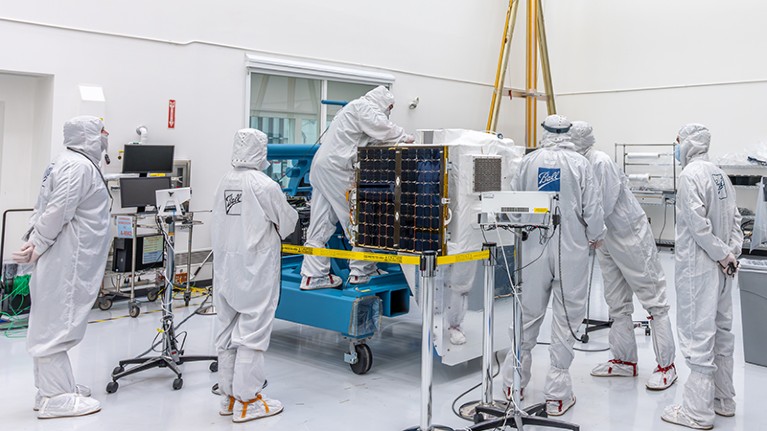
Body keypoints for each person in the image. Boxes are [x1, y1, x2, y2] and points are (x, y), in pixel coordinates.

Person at [500, 114, 605, 416]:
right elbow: (593, 207)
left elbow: (514, 203)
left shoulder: (528, 162)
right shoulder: (580, 164)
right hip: (570, 250)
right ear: (568, 133)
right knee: (567, 318)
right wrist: (596, 235)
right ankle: (557, 395)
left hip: (532, 247)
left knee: (528, 314)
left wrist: (524, 226)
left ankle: (513, 384)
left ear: (544, 132)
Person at [12, 116, 111, 418]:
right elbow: (57, 210)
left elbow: (46, 206)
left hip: (67, 256)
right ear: (88, 136)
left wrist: (35, 241)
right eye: (101, 132)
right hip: (68, 259)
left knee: (52, 319)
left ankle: (52, 389)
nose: (106, 136)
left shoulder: (67, 161)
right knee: (58, 322)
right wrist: (38, 243)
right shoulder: (78, 166)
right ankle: (56, 398)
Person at [569, 121, 677, 390]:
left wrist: (580, 233)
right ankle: (624, 361)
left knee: (654, 300)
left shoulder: (600, 161)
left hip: (629, 236)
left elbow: (601, 206)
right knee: (616, 302)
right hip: (605, 240)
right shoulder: (577, 163)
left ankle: (667, 366)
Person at [211, 128, 298, 423]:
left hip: (225, 269)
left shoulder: (225, 180)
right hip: (254, 269)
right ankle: (248, 401)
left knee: (226, 332)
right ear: (261, 150)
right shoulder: (264, 184)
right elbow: (287, 223)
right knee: (252, 333)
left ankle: (228, 397)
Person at [661, 124, 742, 430]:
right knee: (722, 332)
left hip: (700, 268)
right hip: (724, 269)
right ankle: (723, 400)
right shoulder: (720, 174)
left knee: (698, 335)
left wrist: (720, 254)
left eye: (678, 142)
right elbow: (736, 221)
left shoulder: (690, 175)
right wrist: (729, 254)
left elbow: (697, 226)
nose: (676, 147)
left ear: (689, 144)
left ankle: (697, 412)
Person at [300, 85, 415, 290]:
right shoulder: (364, 107)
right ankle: (361, 272)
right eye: (389, 107)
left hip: (321, 168)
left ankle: (313, 275)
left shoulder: (351, 111)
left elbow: (369, 140)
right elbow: (382, 128)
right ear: (381, 101)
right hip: (338, 169)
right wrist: (404, 137)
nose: (389, 111)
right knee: (358, 218)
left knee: (320, 222)